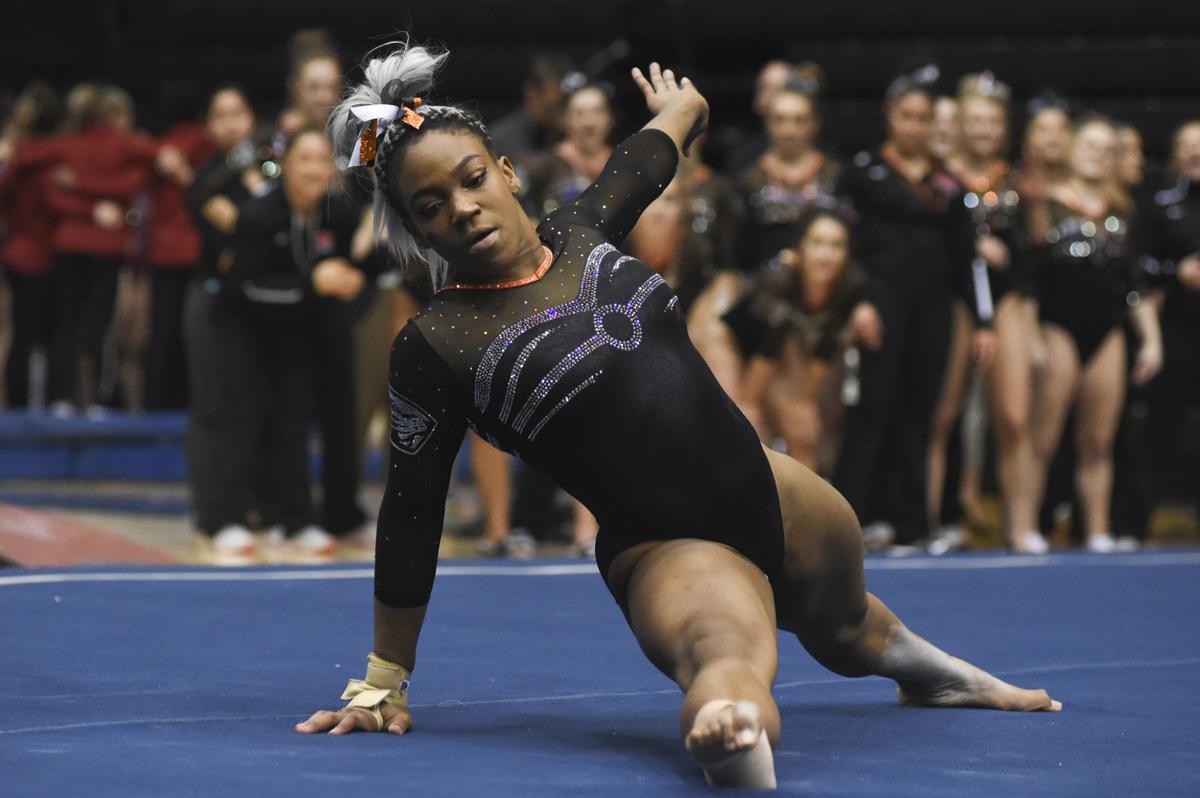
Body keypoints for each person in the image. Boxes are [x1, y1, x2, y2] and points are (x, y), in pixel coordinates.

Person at [297, 44, 1060, 790]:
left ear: (504, 171)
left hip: (775, 488)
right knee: (723, 652)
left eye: (471, 181)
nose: (461, 209)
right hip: (665, 546)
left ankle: (936, 675)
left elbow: (646, 159)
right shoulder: (437, 345)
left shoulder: (581, 231)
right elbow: (410, 513)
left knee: (848, 625)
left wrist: (684, 106)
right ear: (413, 228)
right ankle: (732, 738)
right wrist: (383, 680)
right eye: (431, 206)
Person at [831, 65, 975, 551]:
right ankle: (853, 519)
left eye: (924, 117)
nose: (915, 126)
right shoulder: (863, 170)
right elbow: (844, 246)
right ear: (891, 116)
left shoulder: (947, 183)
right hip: (881, 300)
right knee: (874, 409)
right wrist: (857, 302)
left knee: (921, 411)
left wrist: (982, 320)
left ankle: (911, 521)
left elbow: (964, 255)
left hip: (933, 307)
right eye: (907, 116)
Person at [1027, 116, 1162, 552]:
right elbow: (1029, 279)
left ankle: (1098, 529)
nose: (1096, 155)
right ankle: (1028, 524)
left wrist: (1153, 339)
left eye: (1107, 150)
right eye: (1089, 145)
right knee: (1044, 438)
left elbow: (1134, 286)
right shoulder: (1045, 204)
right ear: (1071, 149)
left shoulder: (1123, 211)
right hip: (1058, 324)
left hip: (1107, 329)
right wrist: (1030, 334)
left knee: (1099, 441)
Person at [719, 209, 865, 470]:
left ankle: (805, 506)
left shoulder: (851, 285)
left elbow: (826, 348)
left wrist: (805, 403)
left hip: (784, 345)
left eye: (836, 245)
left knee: (802, 429)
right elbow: (765, 351)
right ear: (800, 249)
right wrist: (751, 405)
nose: (826, 255)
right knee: (744, 424)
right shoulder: (780, 280)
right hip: (733, 340)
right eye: (817, 243)